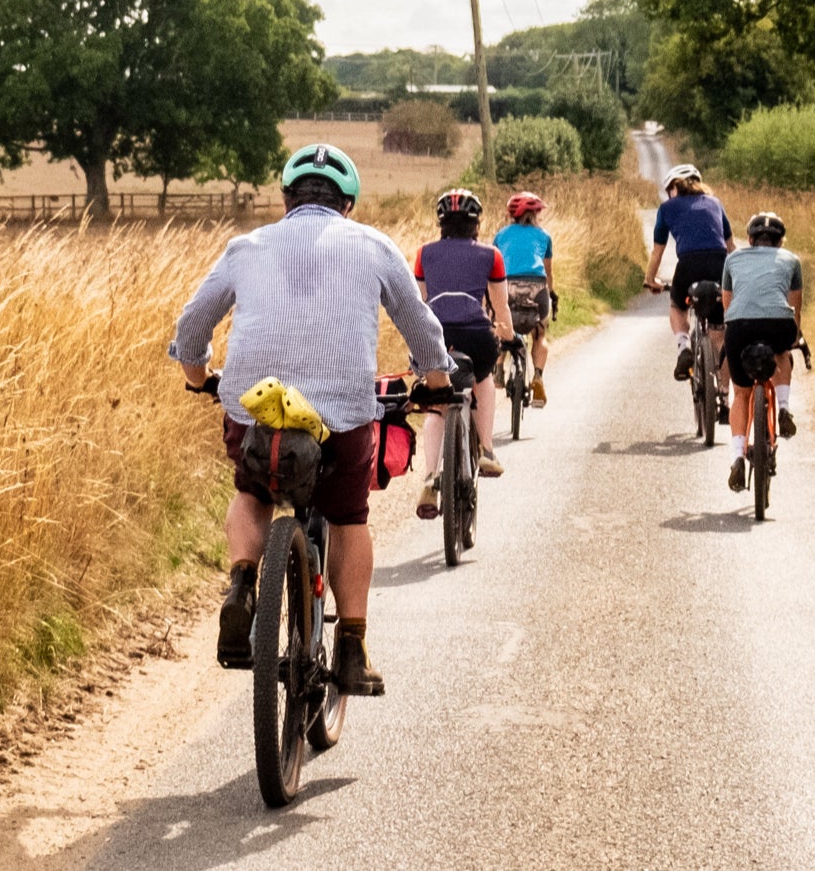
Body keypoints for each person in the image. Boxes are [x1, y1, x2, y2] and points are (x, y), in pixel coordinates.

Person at [170, 141, 453, 699]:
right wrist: (434, 382)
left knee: (252, 492)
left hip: (257, 408)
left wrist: (201, 376)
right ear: (347, 203)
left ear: (286, 199)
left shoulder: (245, 247)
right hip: (342, 412)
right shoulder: (373, 245)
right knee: (348, 515)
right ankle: (352, 648)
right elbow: (421, 327)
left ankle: (243, 583)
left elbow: (192, 325)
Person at [412, 188, 515, 517]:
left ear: (441, 222)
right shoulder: (491, 255)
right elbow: (501, 307)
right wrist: (508, 334)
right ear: (476, 223)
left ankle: (430, 478)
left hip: (434, 337)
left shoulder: (423, 253)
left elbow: (422, 303)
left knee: (435, 406)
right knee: (484, 379)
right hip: (476, 336)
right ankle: (486, 449)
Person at [720, 210, 803, 494]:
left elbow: (728, 306)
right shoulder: (791, 260)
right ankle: (782, 407)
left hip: (739, 325)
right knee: (782, 350)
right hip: (778, 323)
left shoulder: (732, 259)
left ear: (750, 239)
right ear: (780, 242)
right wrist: (794, 339)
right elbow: (795, 306)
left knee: (741, 394)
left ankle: (736, 457)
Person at [645, 163, 734, 379]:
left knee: (677, 305)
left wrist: (650, 280)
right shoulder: (715, 203)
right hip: (719, 264)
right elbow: (731, 248)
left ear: (674, 188)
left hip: (688, 265)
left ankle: (683, 347)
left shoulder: (667, 209)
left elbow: (658, 252)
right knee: (719, 332)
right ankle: (723, 395)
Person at [495, 191, 557, 407]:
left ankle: (499, 368)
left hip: (508, 286)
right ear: (534, 213)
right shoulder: (544, 236)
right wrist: (552, 295)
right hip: (537, 288)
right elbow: (548, 273)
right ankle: (538, 377)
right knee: (539, 336)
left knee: (501, 328)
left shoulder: (501, 235)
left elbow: (494, 269)